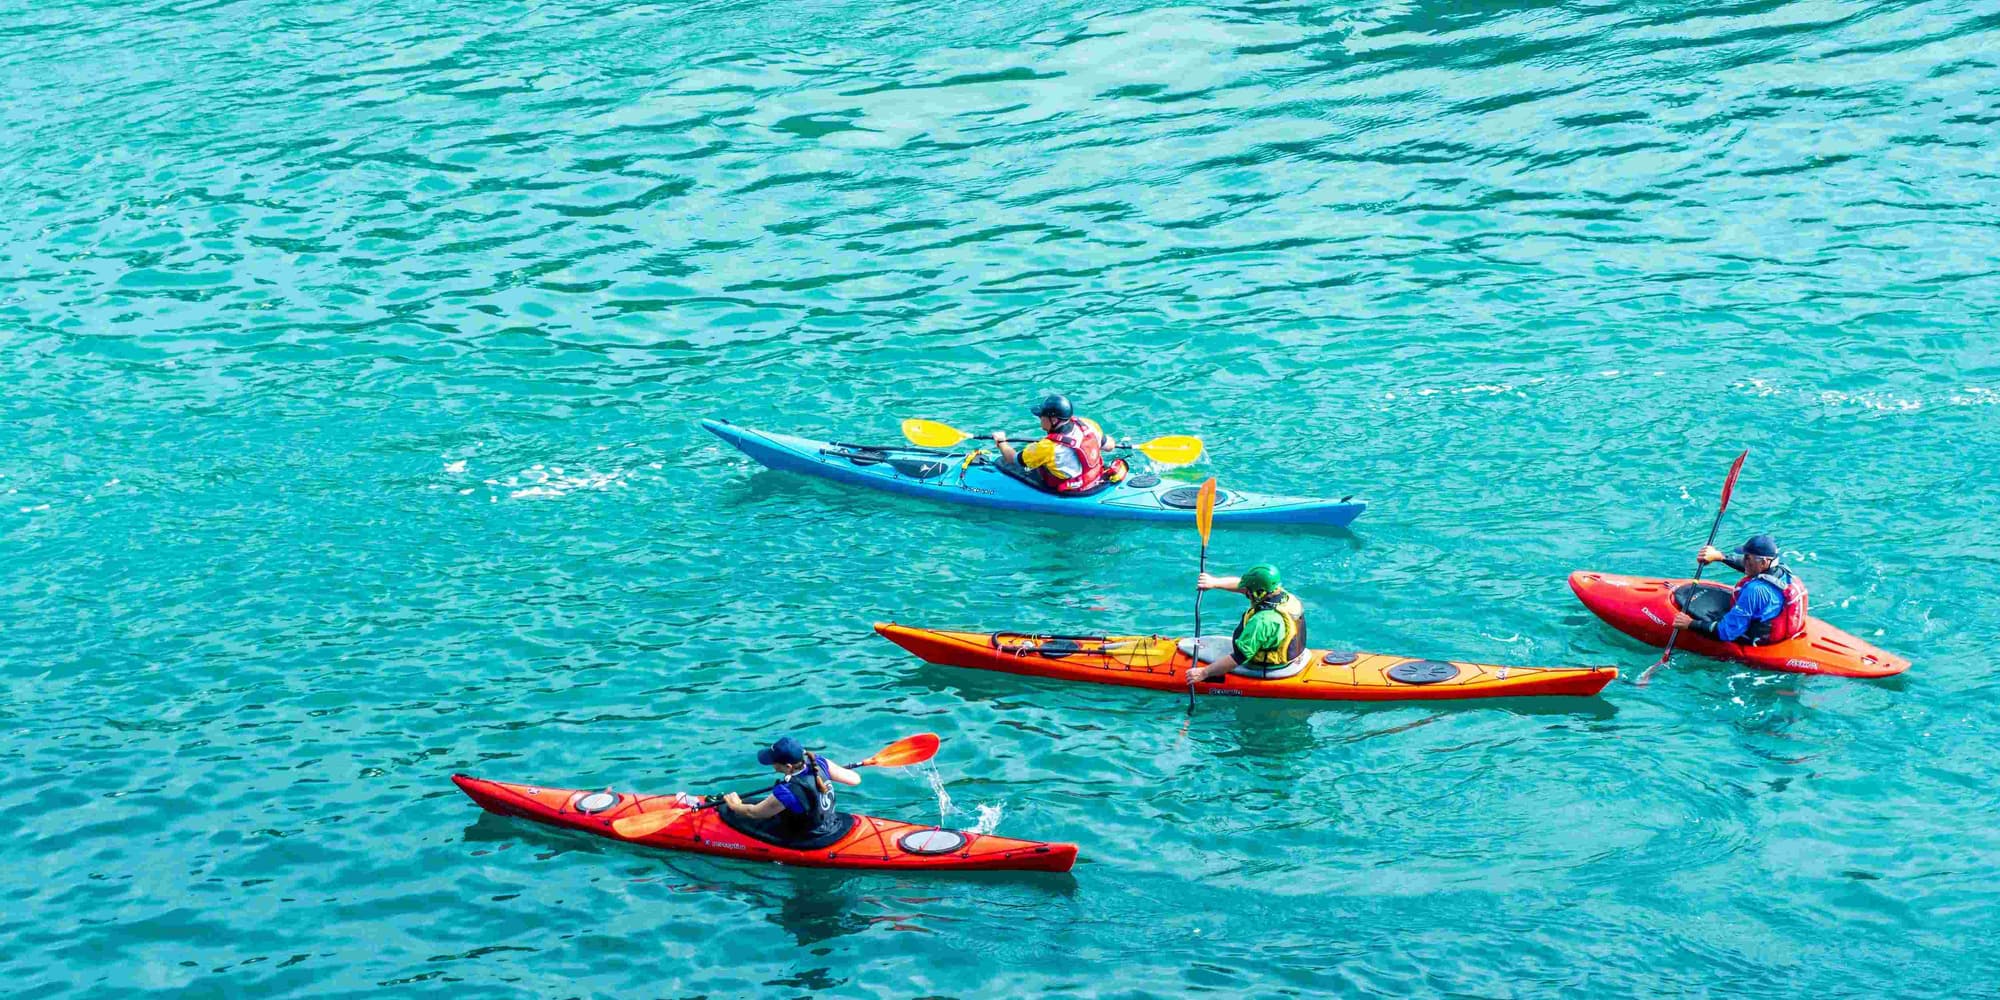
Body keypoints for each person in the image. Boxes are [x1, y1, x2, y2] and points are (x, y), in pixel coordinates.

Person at [717, 736, 861, 847]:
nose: (772, 764)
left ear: (788, 766)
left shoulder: (788, 791)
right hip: (832, 823)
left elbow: (753, 813)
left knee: (732, 812)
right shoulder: (818, 762)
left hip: (811, 835)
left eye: (774, 762)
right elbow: (855, 779)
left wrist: (734, 805)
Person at [1670, 534, 1809, 645]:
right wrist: (1720, 557)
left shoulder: (1754, 591)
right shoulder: (1782, 572)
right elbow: (1750, 569)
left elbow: (1727, 633)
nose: (1744, 560)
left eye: (1747, 557)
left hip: (1755, 638)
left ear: (1764, 562)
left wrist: (1690, 624)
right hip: (1780, 630)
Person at [1183, 563, 1308, 683]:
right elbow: (1244, 586)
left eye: (1248, 590)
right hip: (1294, 658)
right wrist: (1214, 583)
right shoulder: (1285, 597)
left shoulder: (1262, 621)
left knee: (1234, 658)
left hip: (1265, 667)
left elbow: (1239, 657)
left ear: (1259, 593)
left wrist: (1204, 673)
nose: (1245, 592)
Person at [990, 393, 1127, 495]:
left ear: (1054, 420)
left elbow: (1012, 459)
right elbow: (1109, 446)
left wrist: (1002, 442)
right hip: (1095, 479)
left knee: (1002, 462)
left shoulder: (1047, 447)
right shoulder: (1088, 424)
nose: (1039, 419)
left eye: (1041, 416)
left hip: (1070, 489)